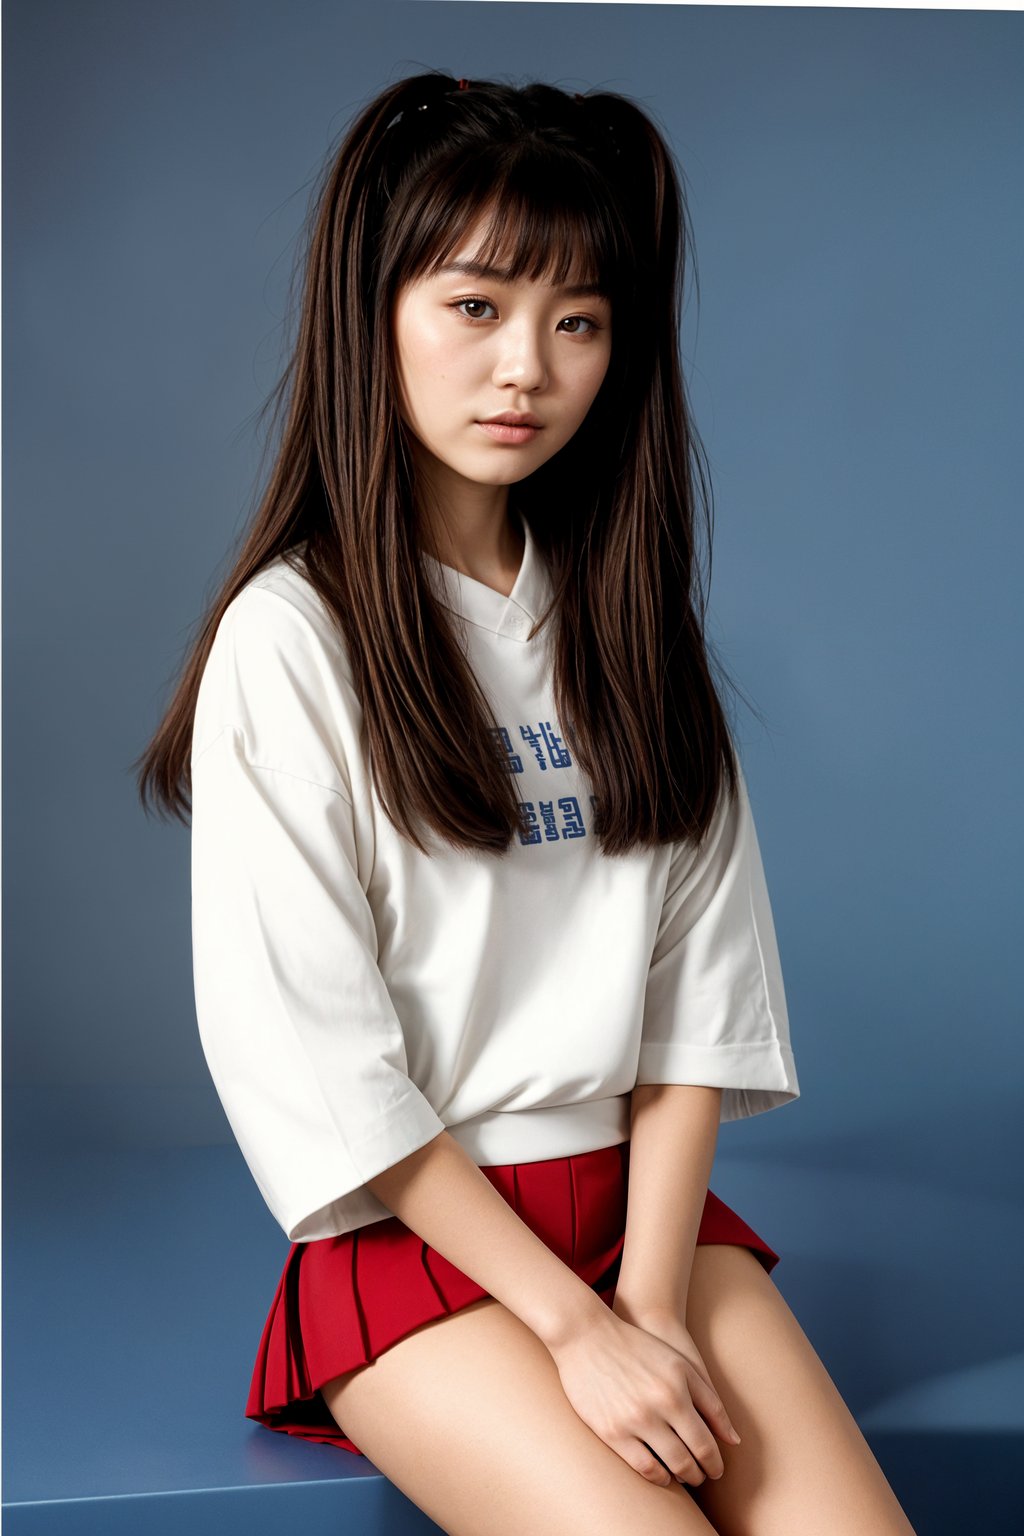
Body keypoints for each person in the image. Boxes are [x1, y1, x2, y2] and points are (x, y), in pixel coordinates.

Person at [136, 70, 917, 1536]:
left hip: (644, 1230)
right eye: (476, 306)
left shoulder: (626, 628)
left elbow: (698, 1006)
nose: (526, 371)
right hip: (417, 1242)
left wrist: (653, 1300)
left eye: (579, 322)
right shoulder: (293, 640)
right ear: (377, 313)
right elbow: (318, 1057)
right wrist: (577, 1333)